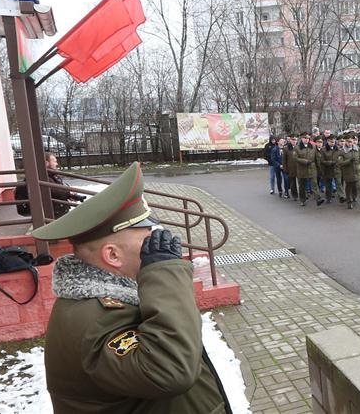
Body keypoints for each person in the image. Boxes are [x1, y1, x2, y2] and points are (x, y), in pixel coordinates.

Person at [31, 162, 231, 413]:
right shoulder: (94, 322)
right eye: (147, 237)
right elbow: (171, 370)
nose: (154, 245)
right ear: (113, 255)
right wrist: (165, 274)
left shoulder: (110, 297)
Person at [295, 133, 324, 207]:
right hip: (302, 169)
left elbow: (317, 158)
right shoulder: (297, 147)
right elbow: (295, 158)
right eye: (305, 138)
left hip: (312, 168)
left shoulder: (313, 146)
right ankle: (302, 200)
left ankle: (318, 199)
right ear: (301, 139)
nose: (306, 139)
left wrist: (319, 169)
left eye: (308, 138)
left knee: (314, 185)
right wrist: (305, 161)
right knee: (302, 186)